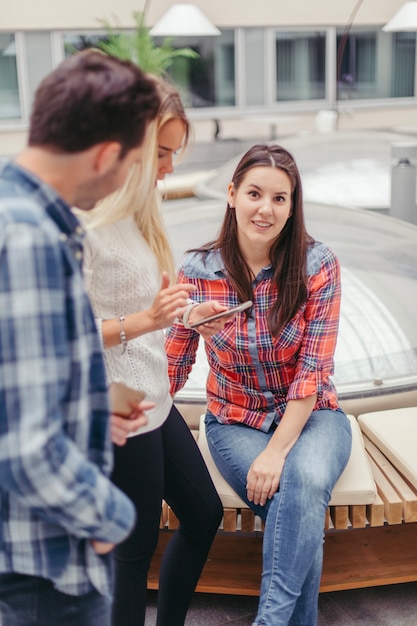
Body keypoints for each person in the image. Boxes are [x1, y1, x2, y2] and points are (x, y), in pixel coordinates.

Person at [0, 50, 160, 626]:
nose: (131, 177)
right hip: (43, 573)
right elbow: (25, 451)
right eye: (135, 160)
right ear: (104, 154)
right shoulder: (30, 241)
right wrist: (111, 518)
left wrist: (88, 414)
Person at [165, 144, 353, 626]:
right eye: (253, 193)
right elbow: (171, 367)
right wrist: (184, 321)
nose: (265, 209)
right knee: (301, 498)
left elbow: (312, 372)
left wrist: (276, 451)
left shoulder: (318, 265)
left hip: (315, 418)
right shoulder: (196, 273)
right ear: (231, 194)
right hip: (233, 421)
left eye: (279, 198)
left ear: (293, 206)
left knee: (300, 481)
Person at [80, 77, 224, 626]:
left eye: (174, 153)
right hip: (114, 399)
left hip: (154, 391)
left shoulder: (144, 203)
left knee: (203, 513)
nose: (168, 167)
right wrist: (144, 320)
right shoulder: (82, 219)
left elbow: (153, 304)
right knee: (132, 553)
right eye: (160, 152)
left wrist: (188, 315)